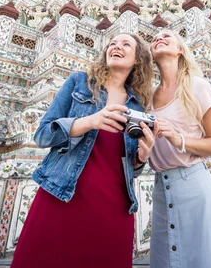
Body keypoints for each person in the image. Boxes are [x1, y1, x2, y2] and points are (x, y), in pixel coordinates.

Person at [11, 33, 157, 268]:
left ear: (138, 59)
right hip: (64, 194)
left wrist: (142, 158)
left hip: (115, 205)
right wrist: (90, 121)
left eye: (125, 44)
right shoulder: (80, 82)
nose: (115, 47)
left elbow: (132, 168)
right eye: (112, 44)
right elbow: (43, 135)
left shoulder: (137, 105)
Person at [148, 30, 211, 268]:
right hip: (160, 188)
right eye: (155, 38)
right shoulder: (147, 97)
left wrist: (180, 139)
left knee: (205, 259)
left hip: (195, 185)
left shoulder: (197, 86)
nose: (159, 38)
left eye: (167, 36)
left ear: (180, 49)